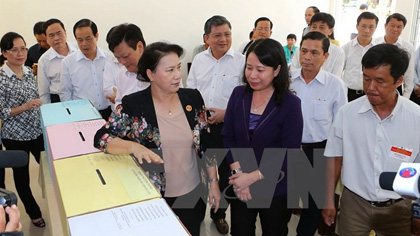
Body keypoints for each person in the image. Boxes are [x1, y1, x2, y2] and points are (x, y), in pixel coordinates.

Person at [94, 42, 220, 236]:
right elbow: (101, 138)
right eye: (170, 70)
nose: (178, 75)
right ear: (151, 74)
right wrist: (134, 148)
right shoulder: (134, 105)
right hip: (153, 196)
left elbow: (206, 144)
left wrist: (213, 183)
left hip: (193, 193)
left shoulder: (192, 99)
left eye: (178, 67)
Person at [322, 43, 420, 235]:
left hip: (398, 208)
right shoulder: (347, 113)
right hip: (354, 205)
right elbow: (335, 159)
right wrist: (328, 201)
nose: (370, 87)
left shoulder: (416, 118)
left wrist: (416, 211)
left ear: (399, 80)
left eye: (380, 81)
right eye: (366, 78)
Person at [223, 38, 303, 236]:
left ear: (276, 70)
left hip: (276, 184)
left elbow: (289, 150)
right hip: (240, 180)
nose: (252, 75)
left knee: (274, 230)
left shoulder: (290, 103)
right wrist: (240, 175)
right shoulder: (238, 94)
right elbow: (228, 137)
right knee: (241, 231)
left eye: (260, 69)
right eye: (249, 68)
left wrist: (252, 177)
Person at [186, 15, 245, 234]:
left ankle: (219, 214)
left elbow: (246, 99)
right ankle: (198, 212)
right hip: (202, 127)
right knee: (200, 172)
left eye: (227, 34)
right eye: (217, 35)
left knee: (226, 173)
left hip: (229, 127)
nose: (223, 39)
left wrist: (226, 114)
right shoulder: (200, 60)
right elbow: (191, 90)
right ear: (207, 38)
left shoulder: (241, 61)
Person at [290, 31, 347, 236]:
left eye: (315, 53)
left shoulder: (335, 85)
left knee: (313, 206)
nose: (307, 57)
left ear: (326, 56)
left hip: (318, 151)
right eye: (304, 51)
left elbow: (340, 126)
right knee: (283, 202)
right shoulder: (287, 80)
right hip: (289, 149)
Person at [0, 32, 45, 228]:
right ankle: (34, 213)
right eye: (14, 50)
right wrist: (26, 106)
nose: (20, 53)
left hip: (36, 131)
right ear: (4, 53)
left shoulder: (28, 71)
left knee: (49, 168)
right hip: (14, 136)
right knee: (22, 178)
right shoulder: (1, 78)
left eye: (23, 49)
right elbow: (2, 112)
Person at [59, 19, 115, 120]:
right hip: (82, 115)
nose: (84, 44)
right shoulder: (68, 62)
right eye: (80, 40)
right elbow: (65, 93)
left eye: (88, 39)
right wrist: (71, 116)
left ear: (96, 36)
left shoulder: (109, 58)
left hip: (109, 113)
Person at [106, 23, 149, 107]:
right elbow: (118, 102)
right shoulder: (122, 73)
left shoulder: (160, 70)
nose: (122, 62)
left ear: (140, 47)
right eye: (117, 57)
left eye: (125, 56)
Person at [373, 13, 415, 99]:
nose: (395, 29)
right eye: (392, 25)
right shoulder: (374, 44)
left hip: (395, 88)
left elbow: (409, 74)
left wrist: (406, 96)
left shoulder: (408, 48)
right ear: (385, 26)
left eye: (399, 27)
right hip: (375, 86)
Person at [291, 12, 345, 78]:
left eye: (322, 27)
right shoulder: (300, 50)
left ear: (330, 31)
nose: (317, 30)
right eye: (314, 27)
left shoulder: (338, 52)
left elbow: (336, 79)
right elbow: (293, 74)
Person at [37, 18, 78, 104]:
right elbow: (44, 92)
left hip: (81, 97)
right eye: (51, 35)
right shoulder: (44, 60)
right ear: (46, 38)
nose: (56, 38)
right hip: (58, 101)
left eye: (59, 33)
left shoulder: (78, 50)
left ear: (65, 33)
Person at [342, 12, 379, 102]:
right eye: (363, 26)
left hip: (372, 94)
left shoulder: (379, 49)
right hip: (348, 93)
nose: (367, 30)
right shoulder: (346, 48)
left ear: (375, 28)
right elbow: (339, 72)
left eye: (371, 27)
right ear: (357, 26)